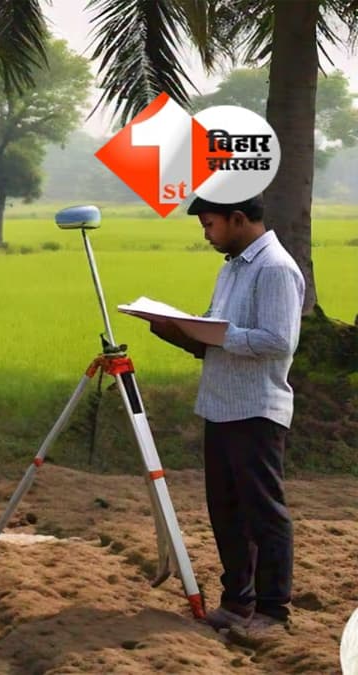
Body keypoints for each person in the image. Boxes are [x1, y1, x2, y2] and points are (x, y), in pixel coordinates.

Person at [148, 195, 303, 643]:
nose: (206, 232)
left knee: (263, 513)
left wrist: (218, 335)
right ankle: (238, 600)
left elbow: (278, 340)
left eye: (210, 223)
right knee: (226, 510)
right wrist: (180, 333)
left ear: (238, 219)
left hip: (256, 408)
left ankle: (273, 612)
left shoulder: (274, 268)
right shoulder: (234, 265)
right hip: (219, 404)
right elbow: (217, 336)